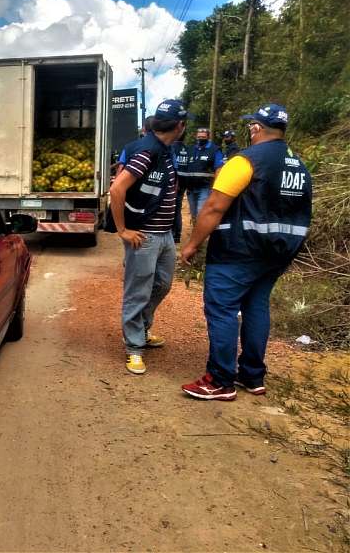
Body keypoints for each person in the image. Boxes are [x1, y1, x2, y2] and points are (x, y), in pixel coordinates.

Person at [180, 104, 312, 400]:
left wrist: (192, 245)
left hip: (237, 251)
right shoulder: (298, 165)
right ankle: (252, 376)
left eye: (251, 126)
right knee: (255, 307)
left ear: (256, 128)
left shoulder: (245, 161)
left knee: (223, 310)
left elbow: (214, 205)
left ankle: (220, 380)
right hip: (278, 254)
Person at [109, 100, 188, 375]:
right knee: (138, 291)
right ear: (180, 126)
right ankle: (134, 348)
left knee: (163, 285)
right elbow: (117, 190)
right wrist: (122, 230)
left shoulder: (165, 149)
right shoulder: (147, 151)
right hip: (144, 235)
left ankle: (141, 328)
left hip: (164, 234)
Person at [179, 127, 224, 222]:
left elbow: (219, 169)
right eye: (199, 136)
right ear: (196, 136)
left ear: (208, 137)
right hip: (190, 189)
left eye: (203, 137)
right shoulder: (190, 150)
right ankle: (196, 230)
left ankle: (201, 235)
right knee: (194, 214)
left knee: (201, 213)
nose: (201, 138)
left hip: (205, 188)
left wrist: (215, 188)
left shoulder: (214, 150)